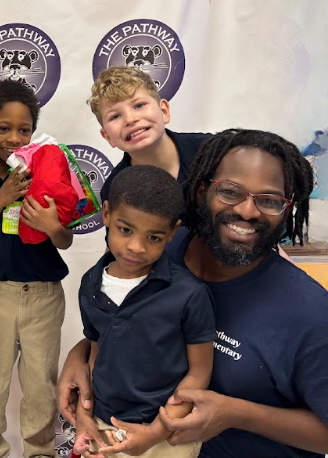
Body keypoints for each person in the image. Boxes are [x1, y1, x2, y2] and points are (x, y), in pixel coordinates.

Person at [58, 129, 328, 458]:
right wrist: (80, 354)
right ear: (202, 190)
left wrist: (236, 414)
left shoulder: (310, 313)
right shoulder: (156, 247)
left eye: (269, 200)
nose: (247, 211)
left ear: (287, 210)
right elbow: (123, 322)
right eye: (230, 191)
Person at [0, 79, 73, 458]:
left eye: (25, 130)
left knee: (41, 386)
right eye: (3, 128)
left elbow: (65, 240)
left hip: (43, 294)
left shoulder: (46, 174)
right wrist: (0, 199)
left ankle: (40, 451)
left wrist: (52, 225)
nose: (14, 138)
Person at [75, 165, 214, 458]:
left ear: (173, 231)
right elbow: (96, 355)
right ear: (107, 214)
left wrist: (155, 433)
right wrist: (85, 414)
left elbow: (199, 372)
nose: (136, 247)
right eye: (125, 230)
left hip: (168, 434)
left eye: (153, 237)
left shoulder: (189, 294)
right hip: (106, 426)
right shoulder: (89, 283)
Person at [87, 67, 211, 204]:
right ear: (108, 137)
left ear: (164, 111)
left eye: (139, 105)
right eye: (115, 116)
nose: (130, 119)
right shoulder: (114, 192)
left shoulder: (212, 151)